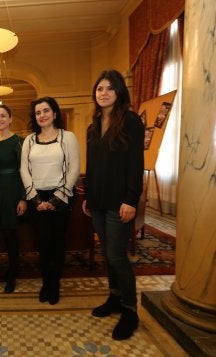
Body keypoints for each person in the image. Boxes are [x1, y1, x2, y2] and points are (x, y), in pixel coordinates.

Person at [82, 69, 144, 341]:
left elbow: (135, 165)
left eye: (109, 88)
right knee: (108, 254)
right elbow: (92, 167)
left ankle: (130, 311)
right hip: (97, 201)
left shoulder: (131, 121)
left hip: (120, 202)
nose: (103, 93)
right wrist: (88, 197)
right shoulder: (92, 126)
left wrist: (131, 199)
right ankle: (115, 298)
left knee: (118, 256)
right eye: (99, 89)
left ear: (119, 92)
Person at [20, 96, 80, 305]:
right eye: (38, 112)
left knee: (57, 243)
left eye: (46, 111)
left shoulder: (68, 137)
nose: (42, 115)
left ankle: (55, 284)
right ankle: (46, 282)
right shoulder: (28, 140)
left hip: (61, 198)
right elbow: (24, 170)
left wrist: (55, 200)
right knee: (42, 244)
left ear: (54, 113)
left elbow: (73, 169)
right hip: (36, 197)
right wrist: (36, 199)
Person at [0, 104, 26, 293]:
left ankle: (13, 272)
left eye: (3, 116)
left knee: (12, 233)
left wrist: (22, 198)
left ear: (10, 119)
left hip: (13, 189)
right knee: (4, 232)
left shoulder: (20, 141)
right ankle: (11, 267)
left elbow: (25, 170)